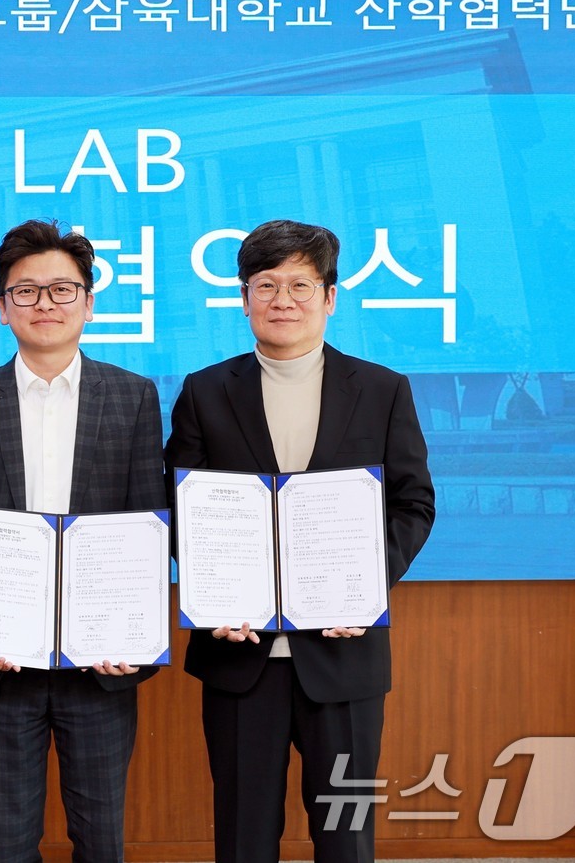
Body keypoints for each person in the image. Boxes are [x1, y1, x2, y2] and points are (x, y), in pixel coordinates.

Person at [164, 219, 436, 863]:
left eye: (300, 285)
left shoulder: (382, 390)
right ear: (244, 297)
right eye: (266, 285)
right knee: (243, 839)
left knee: (347, 839)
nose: (282, 300)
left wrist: (363, 588)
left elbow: (413, 504)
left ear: (329, 297)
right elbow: (178, 510)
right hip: (239, 657)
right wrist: (209, 593)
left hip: (345, 659)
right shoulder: (205, 391)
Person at [0, 219, 165, 863]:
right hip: (3, 665)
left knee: (102, 841)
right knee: (9, 843)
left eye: (63, 289)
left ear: (88, 302)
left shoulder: (134, 398)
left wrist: (129, 634)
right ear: (3, 308)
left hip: (100, 665)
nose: (45, 304)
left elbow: (149, 523)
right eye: (25, 291)